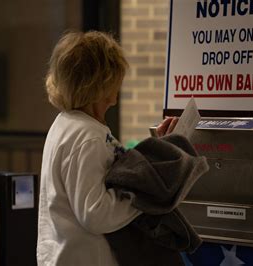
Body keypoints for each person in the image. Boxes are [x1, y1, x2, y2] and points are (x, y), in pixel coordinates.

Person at [37, 31, 177, 266]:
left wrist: (160, 147)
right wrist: (144, 198)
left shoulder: (65, 124)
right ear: (103, 84)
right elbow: (96, 213)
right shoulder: (89, 135)